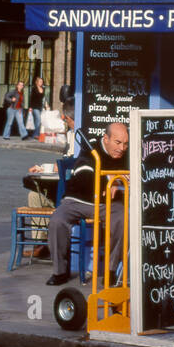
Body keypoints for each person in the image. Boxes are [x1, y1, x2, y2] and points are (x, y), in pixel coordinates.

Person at [46, 122, 129, 286]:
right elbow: (85, 177)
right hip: (78, 200)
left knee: (123, 219)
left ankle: (110, 271)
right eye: (117, 143)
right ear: (106, 139)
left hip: (107, 204)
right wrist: (109, 182)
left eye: (125, 144)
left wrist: (118, 182)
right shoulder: (90, 150)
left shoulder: (126, 154)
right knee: (57, 221)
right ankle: (60, 271)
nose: (122, 148)